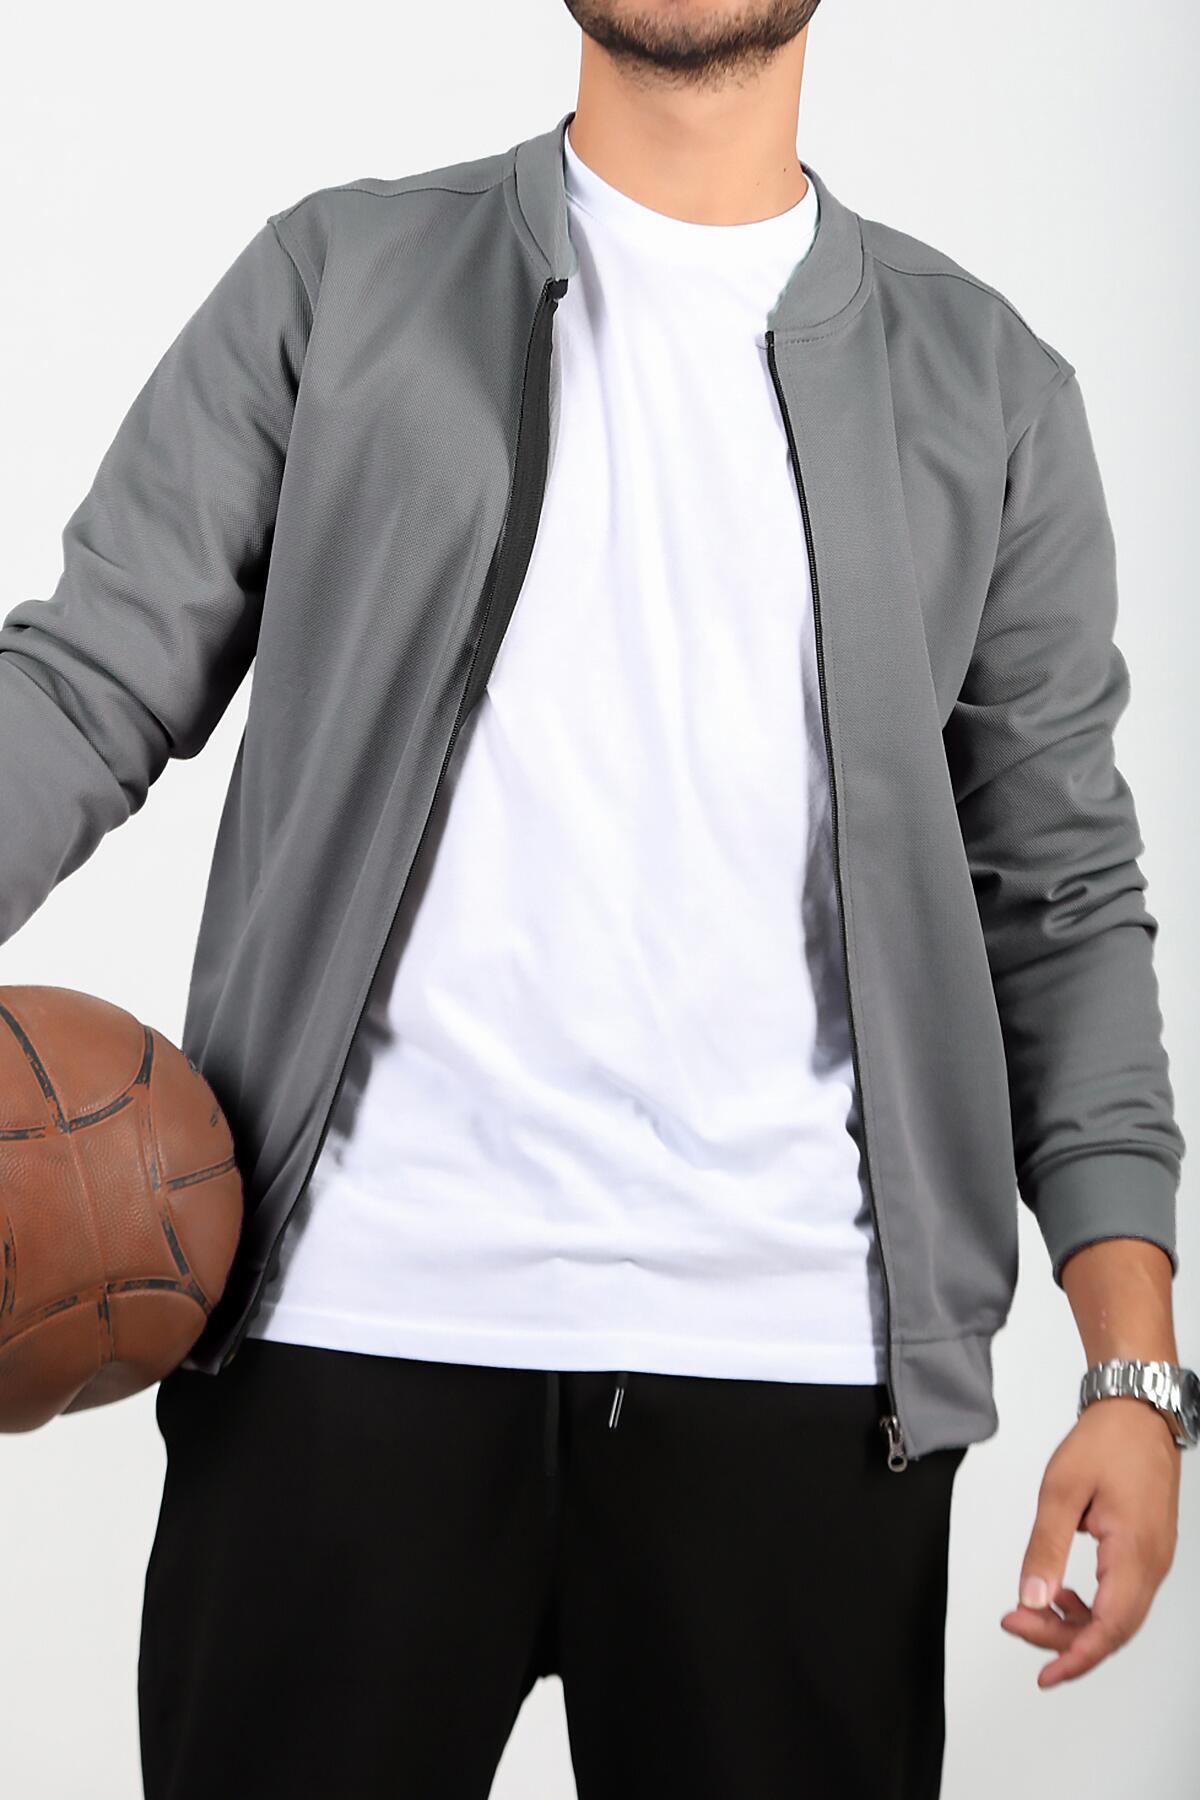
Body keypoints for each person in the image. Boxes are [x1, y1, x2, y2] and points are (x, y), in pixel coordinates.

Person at [1, 5, 1192, 1797]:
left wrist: (1133, 1373)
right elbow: (87, 681)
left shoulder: (986, 386)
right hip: (343, 1340)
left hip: (803, 1380)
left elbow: (1064, 896)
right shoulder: (339, 280)